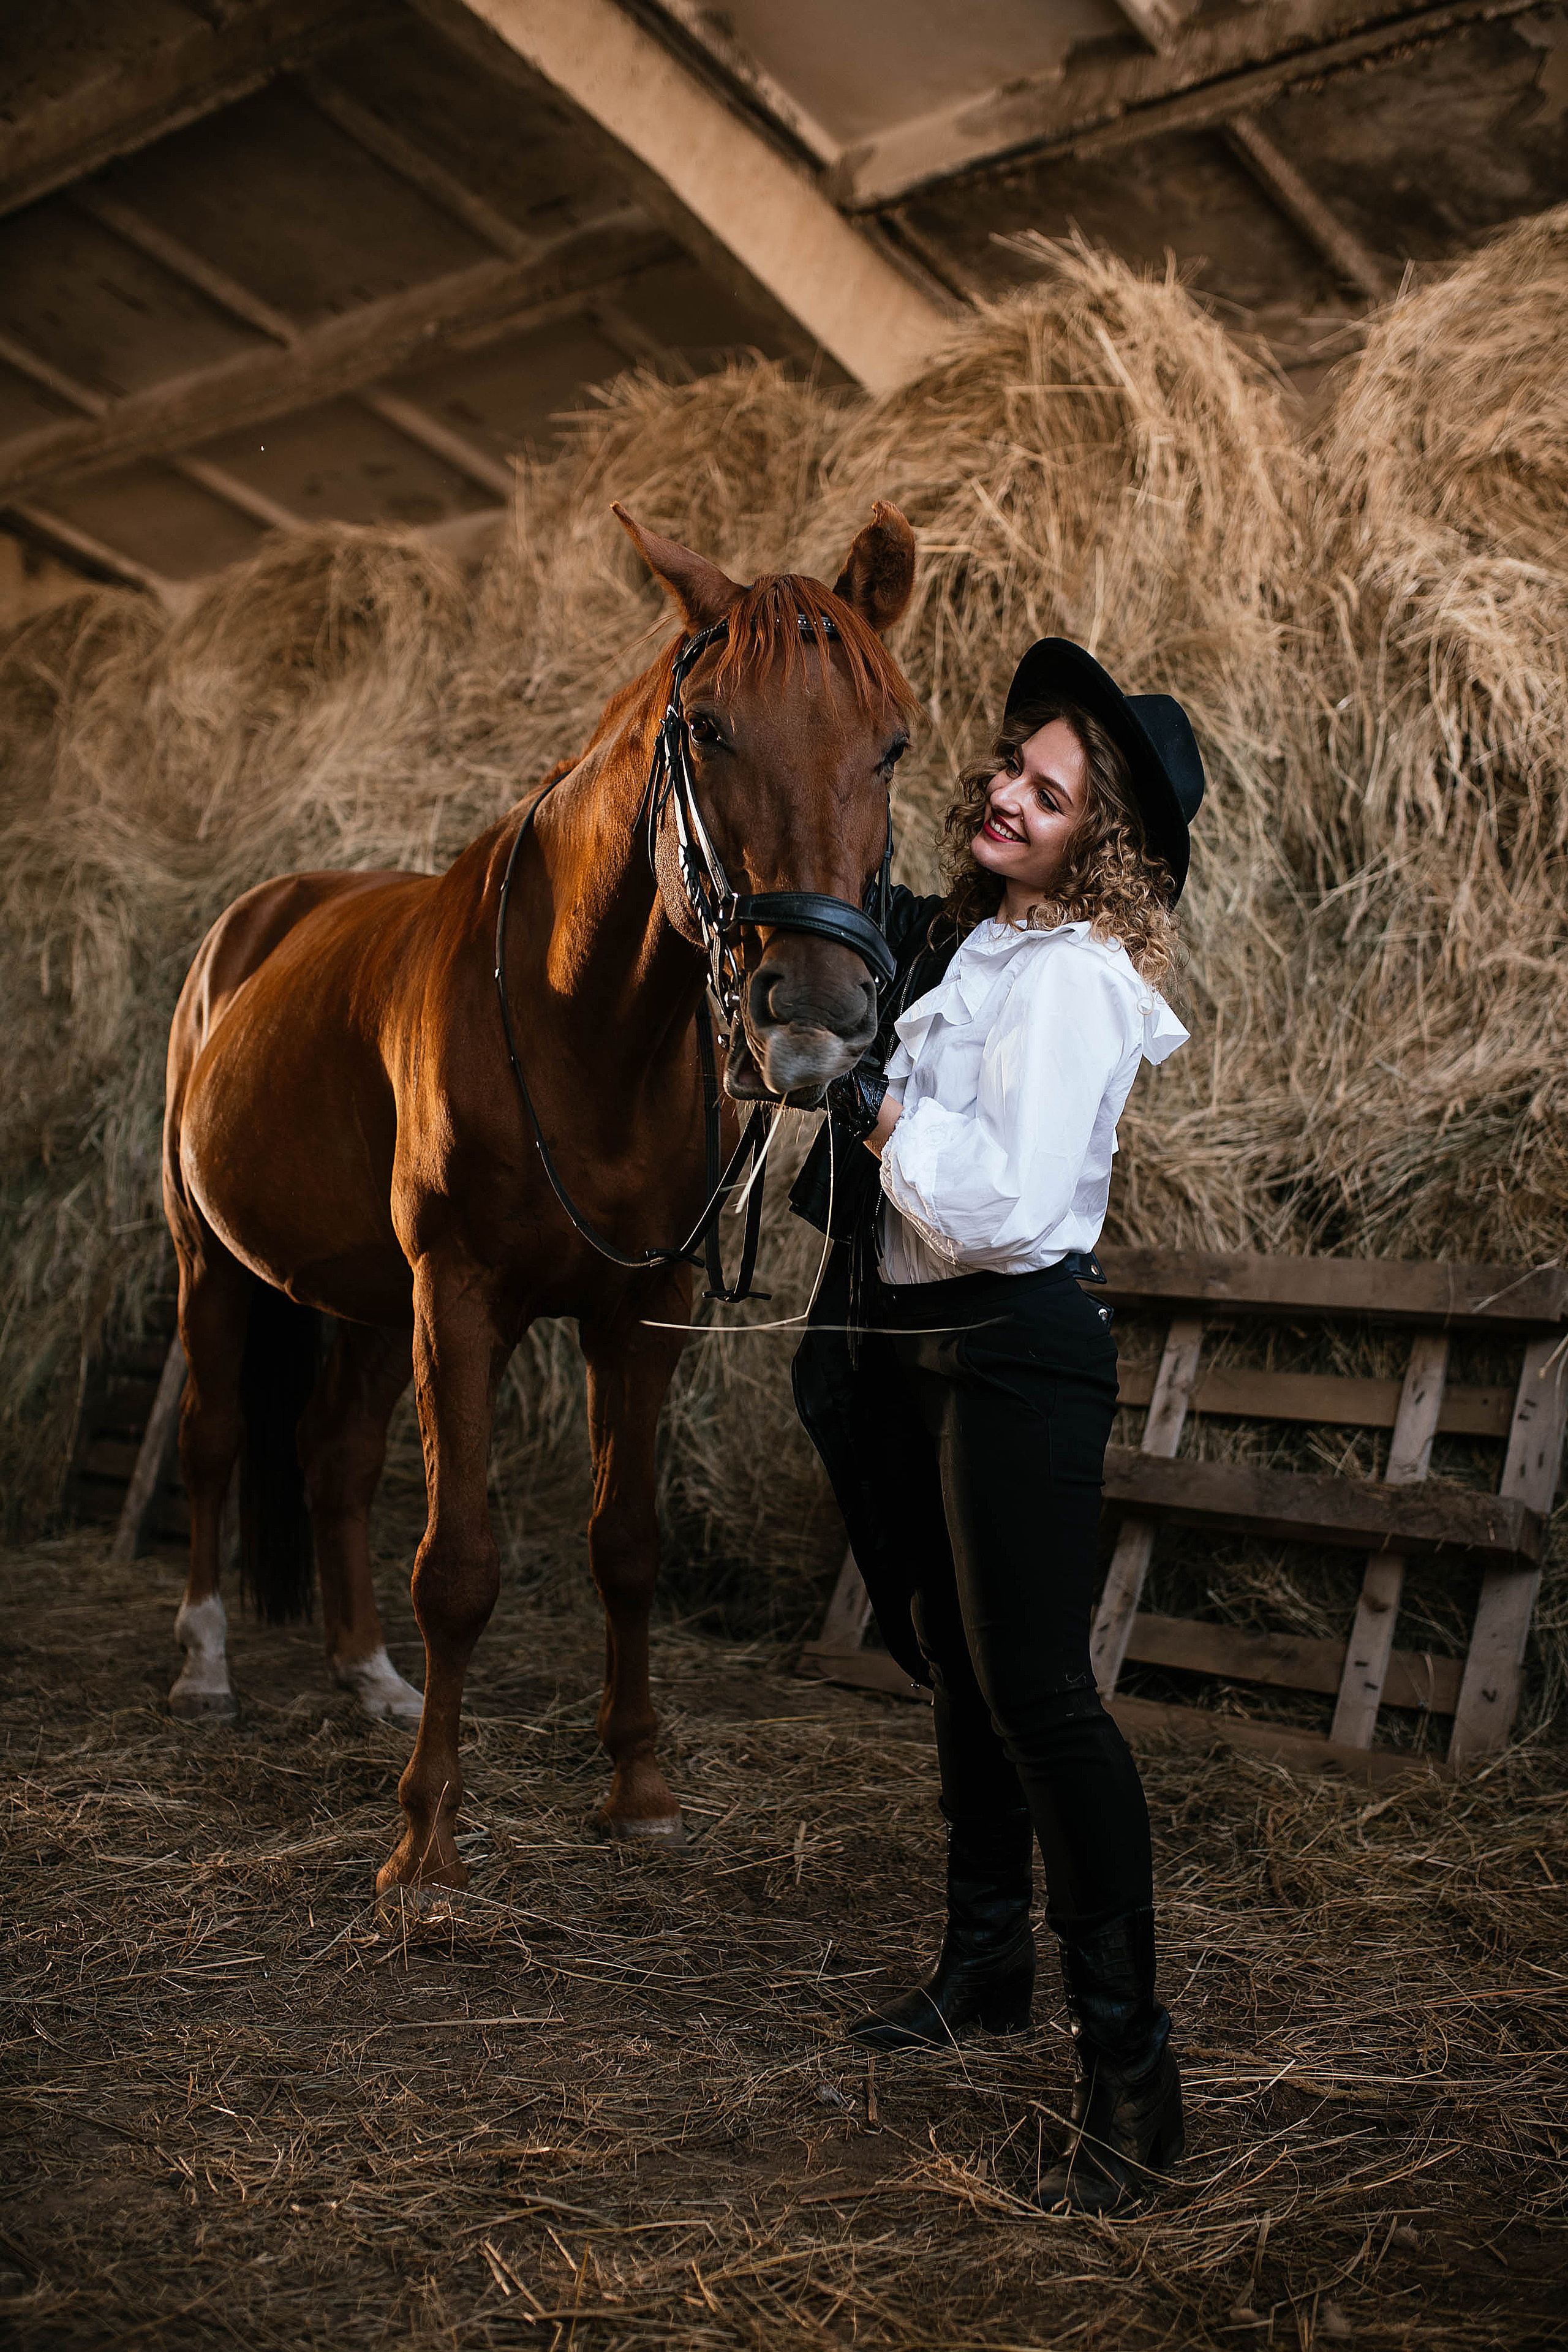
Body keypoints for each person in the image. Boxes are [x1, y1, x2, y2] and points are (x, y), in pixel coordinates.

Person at [790, 638, 1205, 2213]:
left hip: (1019, 1347)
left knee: (1039, 1692)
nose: (1004, 795)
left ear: (1094, 837)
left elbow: (1007, 1205)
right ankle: (983, 1971)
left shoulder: (1085, 983)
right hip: (910, 1330)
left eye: (1046, 793)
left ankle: (1131, 2065)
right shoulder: (977, 953)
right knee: (955, 1659)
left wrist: (882, 1106)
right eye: (1007, 769)